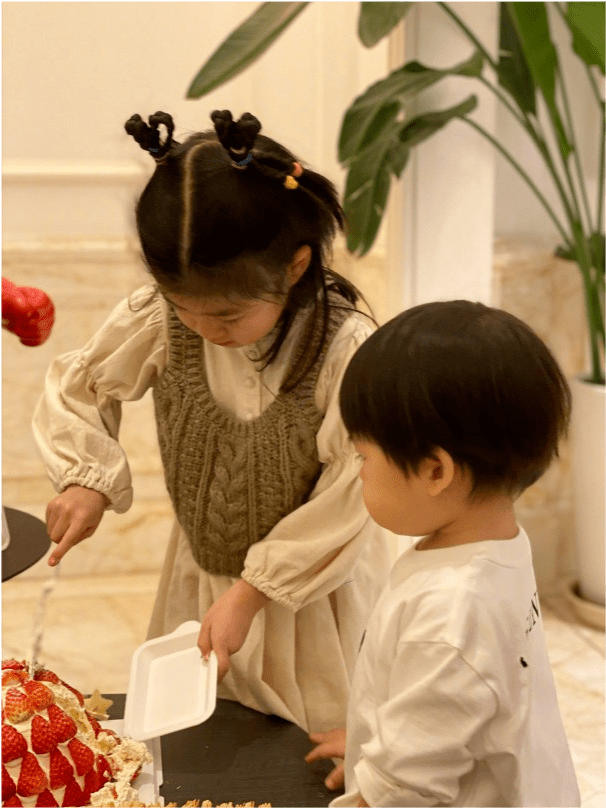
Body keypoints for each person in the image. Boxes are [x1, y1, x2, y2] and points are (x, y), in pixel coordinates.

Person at [32, 110, 392, 734]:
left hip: (312, 595)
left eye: (225, 316)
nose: (202, 329)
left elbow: (353, 490)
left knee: (311, 740)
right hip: (201, 574)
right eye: (183, 307)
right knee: (204, 735)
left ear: (295, 267)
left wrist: (254, 592)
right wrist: (86, 476)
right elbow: (81, 384)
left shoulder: (345, 347)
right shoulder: (161, 321)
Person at [306, 300, 580, 807]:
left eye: (365, 456)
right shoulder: (498, 546)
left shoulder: (449, 614)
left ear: (436, 471)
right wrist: (383, 741)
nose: (359, 470)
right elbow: (456, 705)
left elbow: (405, 794)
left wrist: (389, 776)